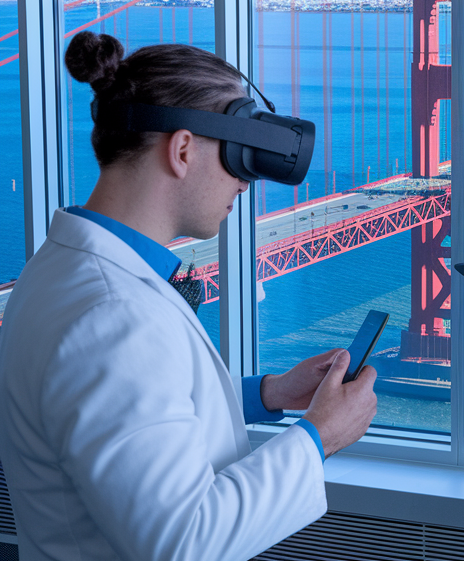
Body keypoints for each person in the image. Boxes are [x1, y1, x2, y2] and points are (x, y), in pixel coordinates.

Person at [0, 33, 378, 561]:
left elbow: (126, 419)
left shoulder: (59, 269)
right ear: (181, 151)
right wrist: (321, 437)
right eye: (239, 158)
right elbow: (183, 541)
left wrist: (266, 395)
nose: (247, 184)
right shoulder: (114, 317)